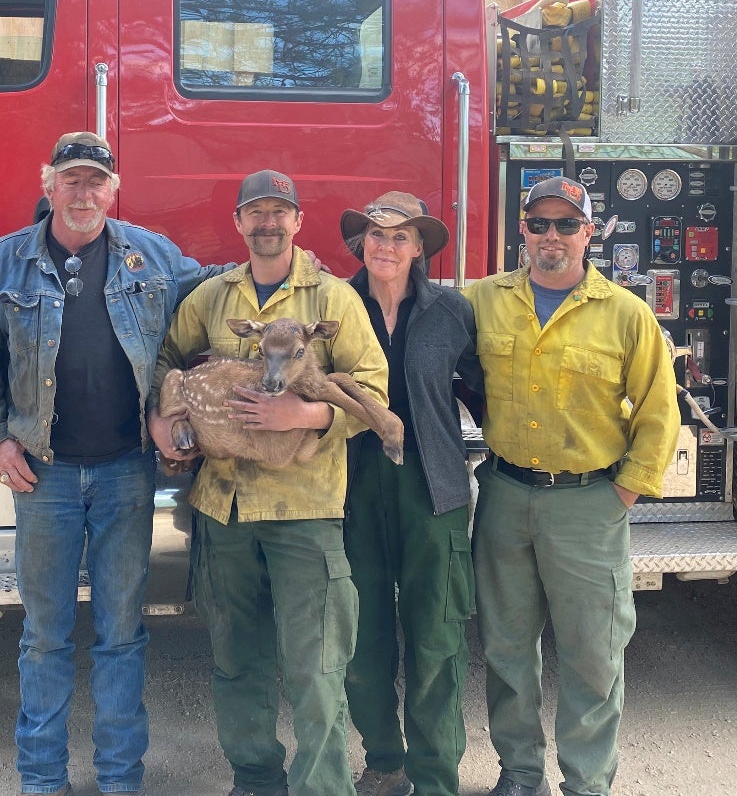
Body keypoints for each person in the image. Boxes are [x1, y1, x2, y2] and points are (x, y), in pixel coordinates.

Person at [0, 130, 226, 796]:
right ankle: (42, 779)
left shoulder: (150, 256)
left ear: (113, 190)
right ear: (48, 185)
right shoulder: (4, 262)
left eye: (95, 181)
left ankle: (118, 779)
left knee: (121, 635)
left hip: (124, 475)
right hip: (41, 475)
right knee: (44, 637)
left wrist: (314, 279)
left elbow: (218, 285)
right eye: (71, 179)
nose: (84, 192)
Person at [148, 169, 389, 796]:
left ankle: (322, 788)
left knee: (315, 668)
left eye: (279, 213)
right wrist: (164, 419)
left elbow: (374, 385)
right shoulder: (213, 298)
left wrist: (308, 414)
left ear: (298, 221)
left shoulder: (332, 300)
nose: (267, 223)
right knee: (237, 660)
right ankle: (255, 780)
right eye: (255, 213)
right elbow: (167, 361)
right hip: (222, 507)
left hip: (303, 511)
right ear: (238, 224)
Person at [463, 176, 679, 796]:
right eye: (539, 224)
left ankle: (587, 782)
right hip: (505, 495)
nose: (550, 235)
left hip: (590, 502)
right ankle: (520, 773)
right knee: (506, 649)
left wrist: (624, 494)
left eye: (565, 224)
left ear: (589, 232)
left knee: (593, 654)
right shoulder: (483, 299)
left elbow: (660, 412)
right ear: (523, 232)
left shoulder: (626, 314)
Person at [339, 192, 486, 796]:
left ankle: (434, 774)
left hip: (433, 484)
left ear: (420, 247)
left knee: (435, 632)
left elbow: (483, 388)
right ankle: (384, 758)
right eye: (376, 234)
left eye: (401, 236)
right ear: (361, 244)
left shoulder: (452, 310)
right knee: (359, 633)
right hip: (349, 483)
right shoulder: (335, 304)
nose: (387, 246)